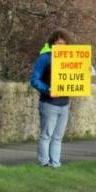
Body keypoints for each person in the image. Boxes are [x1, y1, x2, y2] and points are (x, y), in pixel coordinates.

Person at [31, 29, 75, 167]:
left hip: (64, 103)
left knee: (58, 137)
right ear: (53, 44)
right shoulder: (45, 58)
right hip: (49, 103)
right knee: (46, 135)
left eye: (64, 44)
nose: (61, 46)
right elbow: (34, 80)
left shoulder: (71, 58)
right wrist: (47, 89)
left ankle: (55, 163)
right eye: (58, 43)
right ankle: (44, 162)